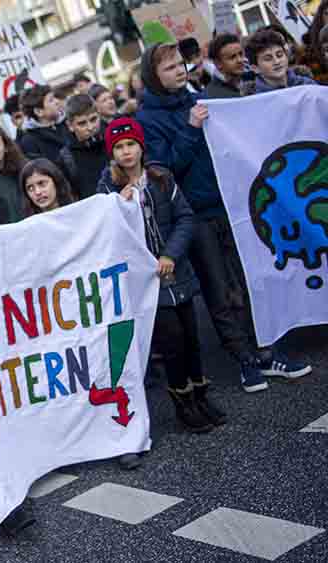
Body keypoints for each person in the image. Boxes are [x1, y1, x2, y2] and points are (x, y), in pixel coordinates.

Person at [137, 42, 312, 392]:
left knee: (250, 279)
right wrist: (190, 129)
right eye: (170, 67)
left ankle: (266, 351)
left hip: (229, 205)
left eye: (180, 64)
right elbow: (163, 169)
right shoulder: (147, 118)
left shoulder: (196, 99)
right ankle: (245, 360)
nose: (179, 70)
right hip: (194, 216)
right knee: (219, 290)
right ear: (154, 77)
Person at [98, 116, 226, 434]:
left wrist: (171, 253)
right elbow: (107, 234)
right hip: (146, 282)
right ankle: (183, 403)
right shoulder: (107, 189)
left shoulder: (160, 177)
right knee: (172, 343)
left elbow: (184, 217)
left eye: (131, 145)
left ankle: (201, 395)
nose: (127, 152)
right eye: (120, 147)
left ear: (141, 147)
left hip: (175, 271)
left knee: (192, 338)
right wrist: (118, 206)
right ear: (112, 153)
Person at [59, 94, 109, 201]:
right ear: (70, 126)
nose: (90, 127)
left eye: (93, 119)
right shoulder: (66, 158)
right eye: (82, 123)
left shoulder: (113, 140)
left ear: (99, 115)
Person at [241, 29, 319, 95]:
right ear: (255, 68)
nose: (276, 61)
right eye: (268, 59)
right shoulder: (253, 99)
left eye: (279, 55)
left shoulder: (307, 85)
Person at [17, 84, 69, 162]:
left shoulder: (68, 123)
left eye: (55, 97)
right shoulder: (29, 141)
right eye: (51, 100)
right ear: (39, 112)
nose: (57, 101)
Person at [206, 33, 247, 99]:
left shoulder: (251, 82)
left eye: (241, 54)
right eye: (232, 57)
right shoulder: (212, 96)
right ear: (218, 63)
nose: (240, 60)